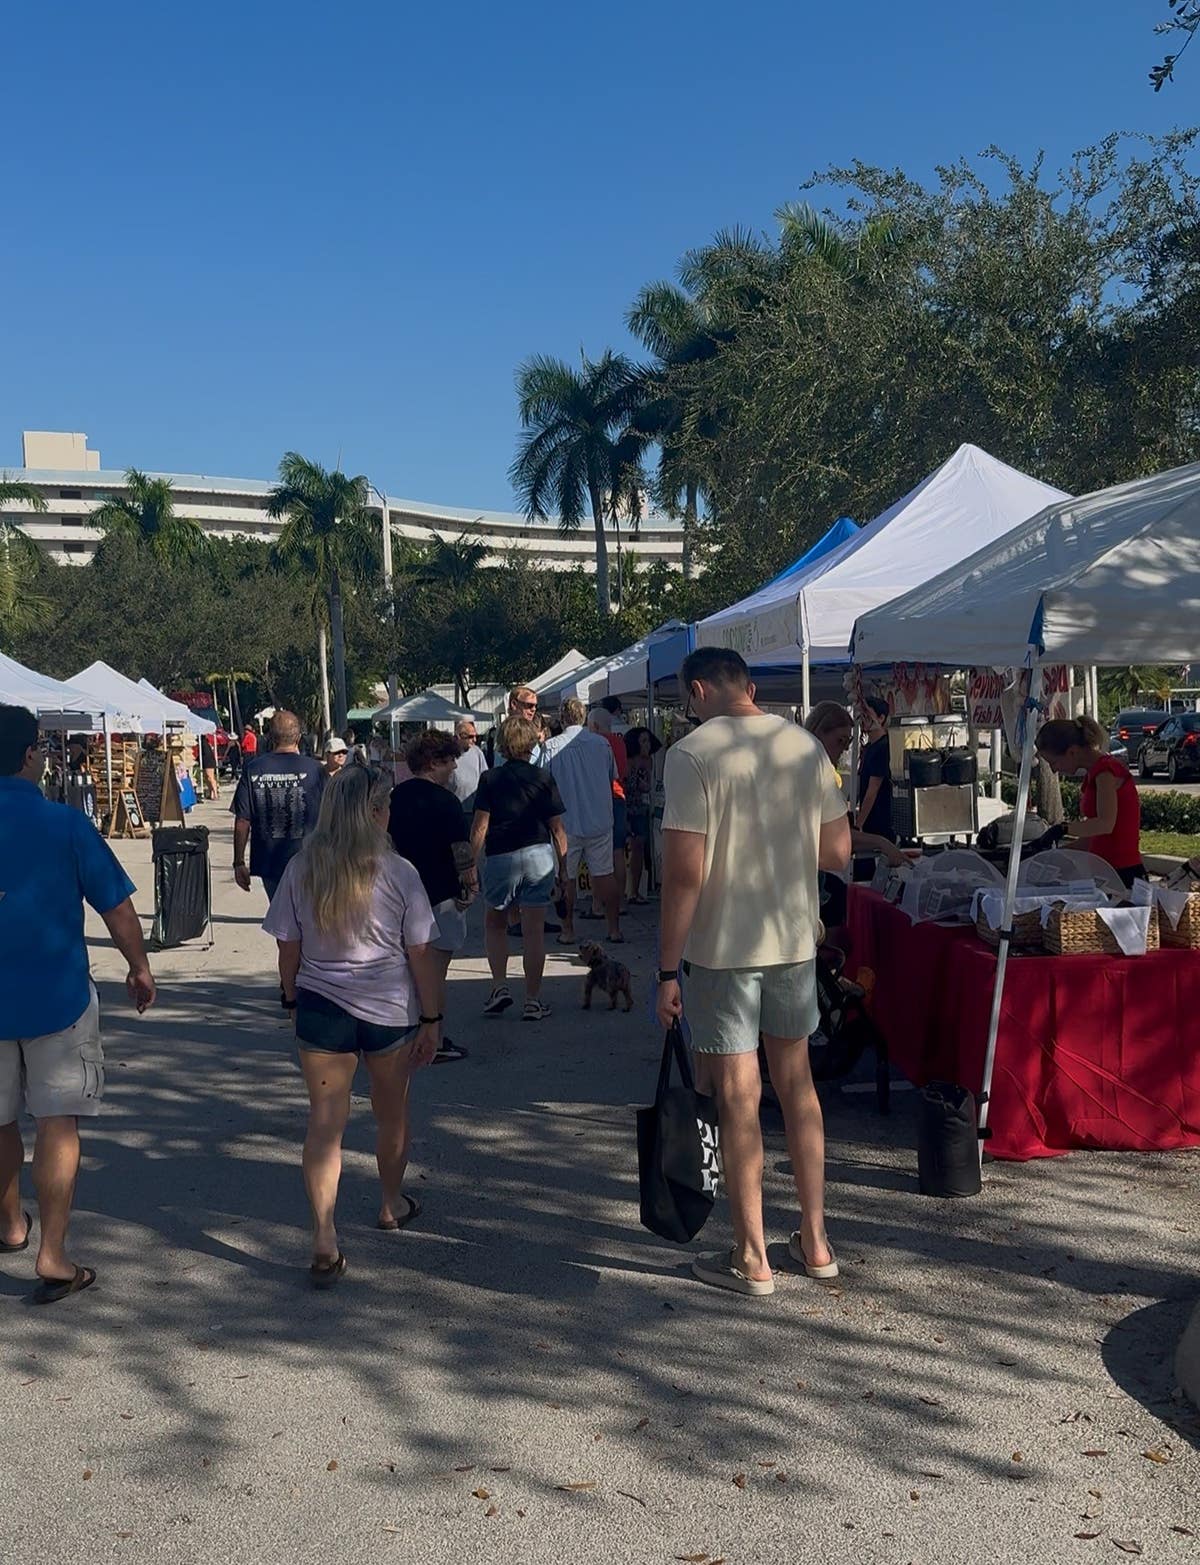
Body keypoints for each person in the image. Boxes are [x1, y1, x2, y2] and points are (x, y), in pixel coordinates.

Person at [655, 649, 851, 1298]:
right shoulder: (803, 746)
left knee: (739, 1097)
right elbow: (836, 851)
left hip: (722, 949)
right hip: (792, 938)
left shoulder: (691, 754)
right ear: (753, 687)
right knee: (798, 1087)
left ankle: (750, 1254)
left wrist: (664, 968)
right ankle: (816, 1240)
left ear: (699, 689)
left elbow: (685, 873)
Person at [0, 705, 157, 1304]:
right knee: (57, 1123)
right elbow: (116, 907)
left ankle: (11, 1223)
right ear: (29, 756)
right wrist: (139, 968)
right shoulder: (66, 824)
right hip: (57, 998)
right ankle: (53, 1254)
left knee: (0, 1121)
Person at [263, 764, 443, 1285]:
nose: (390, 816)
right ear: (373, 812)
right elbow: (421, 953)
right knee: (392, 1115)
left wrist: (291, 996)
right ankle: (390, 1202)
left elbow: (287, 948)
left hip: (321, 1007)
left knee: (324, 1125)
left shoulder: (303, 868)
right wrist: (432, 1017)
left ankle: (324, 1235)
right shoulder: (399, 872)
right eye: (385, 807)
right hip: (389, 1010)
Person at [471, 716, 568, 1022]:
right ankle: (533, 1000)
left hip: (502, 855)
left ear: (502, 744)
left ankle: (500, 986)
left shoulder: (491, 779)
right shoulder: (543, 777)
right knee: (534, 931)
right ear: (532, 743)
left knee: (495, 924)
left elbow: (480, 826)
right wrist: (564, 870)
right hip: (538, 854)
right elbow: (558, 829)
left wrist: (470, 866)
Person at [388, 730, 476, 1063]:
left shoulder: (394, 797)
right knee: (435, 972)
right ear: (433, 762)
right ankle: (434, 1038)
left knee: (408, 969)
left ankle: (408, 1031)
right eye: (449, 760)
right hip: (441, 894)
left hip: (400, 896)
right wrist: (470, 883)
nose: (454, 767)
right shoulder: (447, 801)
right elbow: (461, 850)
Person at [232, 709, 325, 936]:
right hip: (310, 860)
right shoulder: (316, 770)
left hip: (270, 862)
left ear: (269, 738)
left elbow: (242, 820)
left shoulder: (254, 769)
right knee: (312, 923)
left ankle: (289, 969)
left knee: (284, 927)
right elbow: (333, 815)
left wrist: (238, 862)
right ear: (299, 738)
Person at [543, 698, 623, 945]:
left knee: (566, 877)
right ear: (584, 716)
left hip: (565, 822)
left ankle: (567, 930)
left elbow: (544, 783)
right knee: (605, 874)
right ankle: (614, 928)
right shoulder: (602, 744)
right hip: (599, 818)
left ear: (562, 716)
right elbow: (613, 777)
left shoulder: (550, 747)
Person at [1035, 716, 1145, 885]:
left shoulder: (1106, 772)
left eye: (1054, 762)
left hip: (1123, 873)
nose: (1054, 769)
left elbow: (1105, 824)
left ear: (1072, 752)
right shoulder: (1093, 775)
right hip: (1104, 871)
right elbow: (1090, 841)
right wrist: (1046, 856)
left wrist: (1063, 828)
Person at [805, 703, 908, 868]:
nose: (845, 748)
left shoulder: (818, 770)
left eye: (849, 741)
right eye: (840, 740)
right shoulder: (812, 775)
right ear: (818, 734)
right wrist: (881, 842)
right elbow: (837, 834)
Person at [589, 707, 629, 912]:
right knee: (618, 852)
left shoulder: (595, 744)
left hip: (602, 800)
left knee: (598, 854)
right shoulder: (619, 742)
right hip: (619, 797)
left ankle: (597, 903)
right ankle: (619, 902)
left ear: (594, 725)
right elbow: (623, 771)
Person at [623, 726, 661, 903]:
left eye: (648, 740)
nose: (647, 744)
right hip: (626, 806)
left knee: (638, 849)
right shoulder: (629, 761)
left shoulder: (649, 761)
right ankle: (629, 890)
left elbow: (647, 786)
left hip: (641, 808)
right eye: (643, 741)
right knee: (626, 850)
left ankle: (634, 890)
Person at [856, 696, 895, 843]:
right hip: (870, 822)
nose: (863, 720)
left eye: (868, 715)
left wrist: (858, 824)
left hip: (880, 823)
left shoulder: (883, 747)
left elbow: (873, 790)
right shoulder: (870, 747)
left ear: (881, 718)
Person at [449, 718, 488, 819]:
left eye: (476, 736)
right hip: (453, 809)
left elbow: (485, 777)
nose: (474, 740)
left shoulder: (477, 752)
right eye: (470, 737)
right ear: (459, 737)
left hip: (474, 809)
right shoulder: (449, 754)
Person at [200, 732, 219, 800]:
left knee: (210, 777)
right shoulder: (205, 743)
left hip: (208, 761)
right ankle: (211, 793)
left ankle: (215, 793)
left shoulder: (203, 743)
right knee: (207, 778)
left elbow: (206, 753)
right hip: (207, 761)